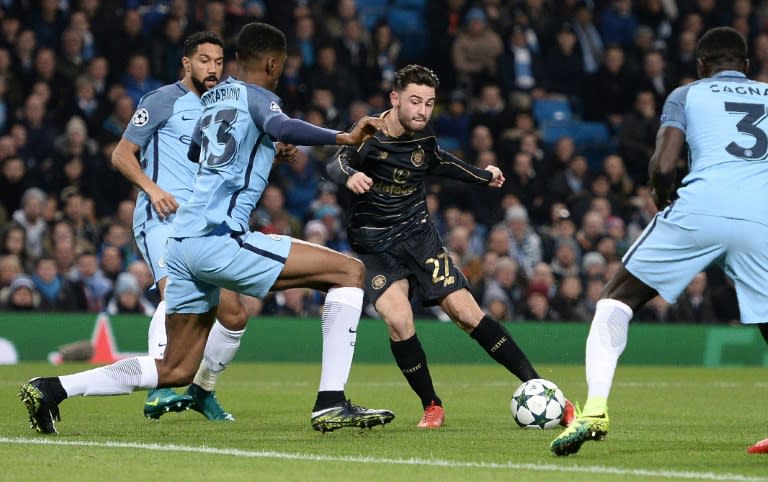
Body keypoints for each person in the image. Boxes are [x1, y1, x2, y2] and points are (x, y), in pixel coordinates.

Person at [19, 22, 394, 435]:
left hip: (183, 244)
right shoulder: (256, 96)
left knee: (175, 367)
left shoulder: (214, 102)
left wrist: (265, 150)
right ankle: (331, 402)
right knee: (350, 272)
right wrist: (344, 135)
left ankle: (52, 387)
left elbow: (203, 152)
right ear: (273, 63)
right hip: (219, 240)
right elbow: (282, 126)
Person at [551, 27, 768, 457]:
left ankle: (594, 410)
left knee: (616, 299)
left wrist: (664, 198)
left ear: (701, 66)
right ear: (746, 66)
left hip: (700, 207)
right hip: (761, 216)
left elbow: (665, 164)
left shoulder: (686, 95)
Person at [326, 64, 574, 429]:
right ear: (395, 99)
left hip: (419, 238)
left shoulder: (422, 141)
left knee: (467, 314)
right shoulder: (368, 133)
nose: (422, 111)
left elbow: (443, 163)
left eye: (428, 103)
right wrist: (352, 176)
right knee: (398, 319)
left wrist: (485, 176)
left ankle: (541, 388)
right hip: (374, 246)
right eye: (414, 101)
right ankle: (432, 405)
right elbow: (335, 160)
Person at [111, 31, 243, 421]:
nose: (213, 69)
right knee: (178, 295)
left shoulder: (227, 105)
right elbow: (121, 154)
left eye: (219, 61)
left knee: (234, 315)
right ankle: (159, 388)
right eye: (204, 60)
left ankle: (202, 390)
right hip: (162, 216)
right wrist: (152, 190)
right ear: (187, 63)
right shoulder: (161, 100)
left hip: (204, 221)